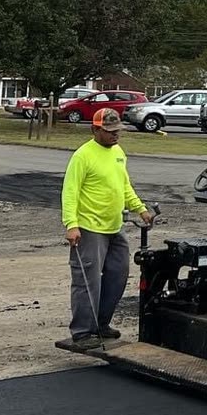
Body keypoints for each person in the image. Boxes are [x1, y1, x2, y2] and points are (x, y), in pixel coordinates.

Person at [61, 108, 153, 348]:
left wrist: (140, 208)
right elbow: (70, 192)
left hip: (114, 226)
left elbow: (124, 186)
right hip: (89, 228)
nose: (115, 135)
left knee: (118, 274)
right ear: (95, 129)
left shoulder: (119, 153)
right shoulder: (83, 156)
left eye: (118, 131)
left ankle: (101, 323)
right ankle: (82, 331)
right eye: (109, 131)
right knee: (88, 280)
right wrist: (72, 225)